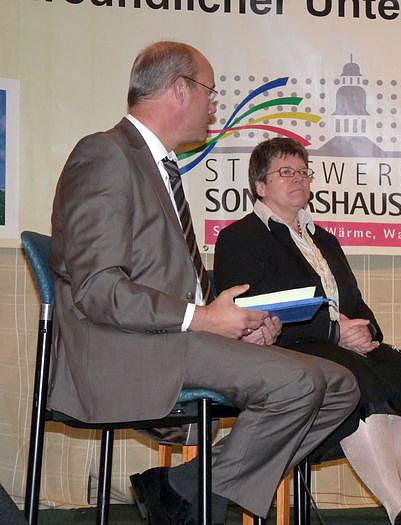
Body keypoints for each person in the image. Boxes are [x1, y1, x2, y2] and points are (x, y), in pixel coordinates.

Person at [49, 42, 359, 524]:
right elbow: (97, 289)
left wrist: (235, 324)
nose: (213, 105)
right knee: (299, 383)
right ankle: (194, 499)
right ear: (180, 89)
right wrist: (203, 319)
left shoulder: (160, 167)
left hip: (174, 336)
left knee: (341, 385)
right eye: (209, 92)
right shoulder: (106, 154)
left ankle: (184, 487)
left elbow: (172, 284)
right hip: (126, 345)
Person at [214, 137, 401, 525]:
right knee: (361, 383)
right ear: (260, 186)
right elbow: (247, 310)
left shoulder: (323, 239)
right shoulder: (240, 237)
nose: (298, 179)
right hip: (288, 346)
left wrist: (365, 329)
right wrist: (334, 331)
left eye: (303, 172)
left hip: (340, 343)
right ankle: (400, 512)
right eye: (285, 172)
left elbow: (353, 301)